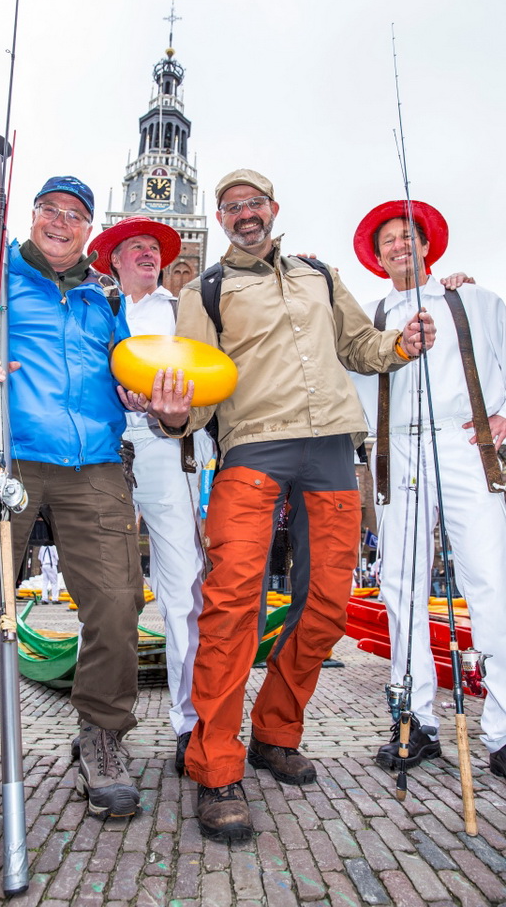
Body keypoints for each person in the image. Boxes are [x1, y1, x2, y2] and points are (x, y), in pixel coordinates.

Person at [120, 169, 436, 841]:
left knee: (326, 604)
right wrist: (174, 418)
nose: (244, 215)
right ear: (221, 218)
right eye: (231, 207)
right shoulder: (204, 289)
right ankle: (214, 764)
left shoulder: (320, 275)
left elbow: (361, 348)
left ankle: (274, 731)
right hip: (253, 450)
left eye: (253, 203)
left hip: (329, 449)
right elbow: (195, 387)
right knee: (232, 605)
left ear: (273, 209)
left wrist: (401, 345)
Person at [0, 176, 144, 820]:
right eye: (49, 211)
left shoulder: (107, 297)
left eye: (75, 214)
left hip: (94, 463)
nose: (60, 222)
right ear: (33, 216)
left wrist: (142, 395)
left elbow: (126, 374)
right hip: (6, 452)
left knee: (119, 603)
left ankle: (99, 738)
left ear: (89, 228)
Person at [351, 200, 506, 779]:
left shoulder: (476, 301)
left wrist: (504, 415)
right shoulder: (366, 319)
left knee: (492, 580)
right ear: (378, 254)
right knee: (401, 584)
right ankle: (413, 722)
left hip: (468, 448)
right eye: (387, 239)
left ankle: (503, 729)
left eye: (407, 236)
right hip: (397, 451)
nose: (398, 245)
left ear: (426, 245)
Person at [88, 216, 214, 774]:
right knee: (107, 591)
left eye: (153, 248)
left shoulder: (186, 310)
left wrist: (174, 412)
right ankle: (101, 726)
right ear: (111, 260)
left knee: (184, 587)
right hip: (100, 449)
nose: (145, 254)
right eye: (133, 246)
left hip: (169, 447)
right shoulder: (92, 306)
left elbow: (213, 381)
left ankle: (191, 723)